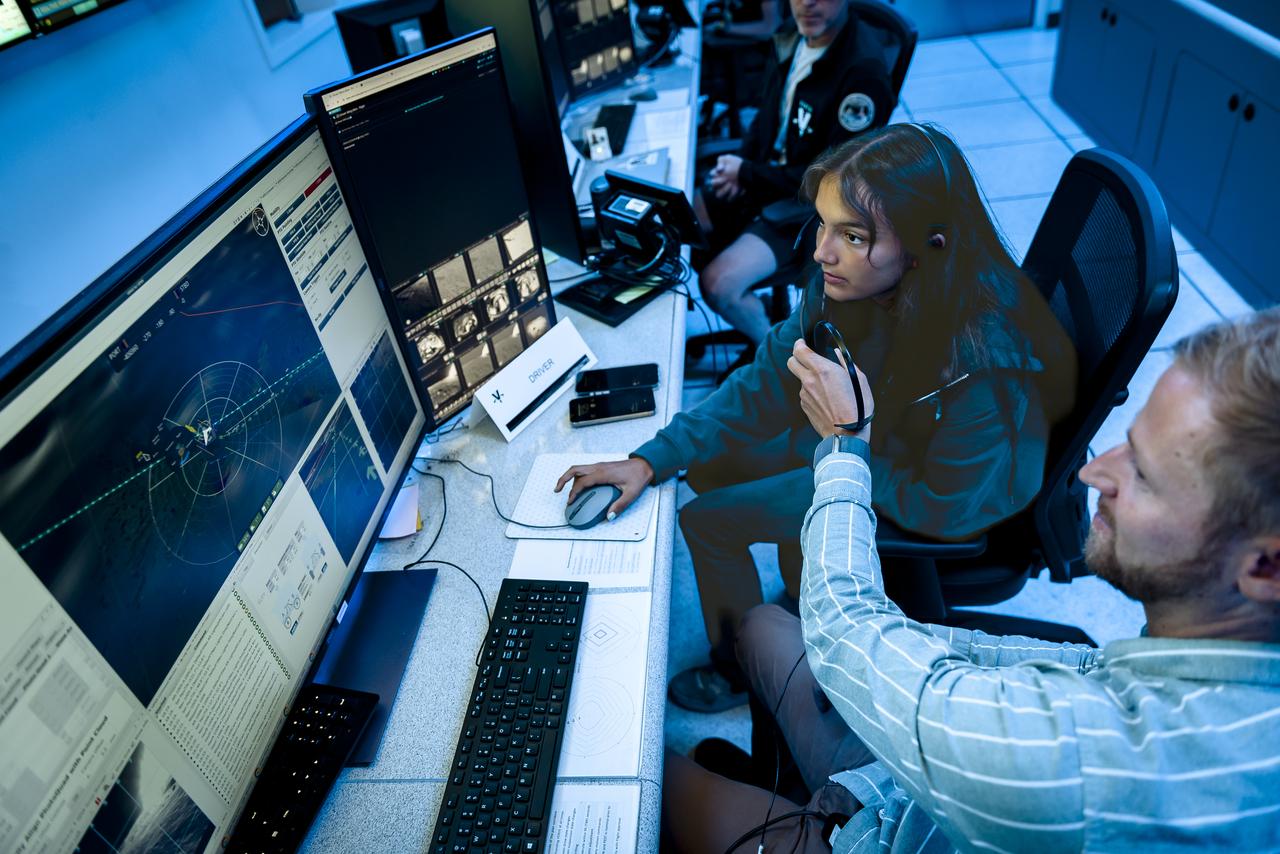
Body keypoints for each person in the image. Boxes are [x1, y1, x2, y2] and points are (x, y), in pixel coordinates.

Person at [662, 307, 1280, 852]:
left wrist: (846, 447)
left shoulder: (1098, 761)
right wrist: (912, 643)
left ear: (1264, 567)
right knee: (761, 626)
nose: (1094, 475)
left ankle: (788, 812)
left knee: (639, 775)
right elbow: (1079, 666)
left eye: (1143, 475)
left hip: (886, 832)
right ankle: (783, 783)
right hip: (909, 781)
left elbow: (844, 629)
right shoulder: (1225, 661)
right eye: (1127, 445)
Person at [557, 124, 1076, 712]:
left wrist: (841, 458)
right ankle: (805, 592)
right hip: (875, 437)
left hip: (926, 492)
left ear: (925, 246)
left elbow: (949, 506)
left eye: (852, 236)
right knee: (706, 463)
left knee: (707, 522)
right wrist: (650, 460)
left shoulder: (984, 363)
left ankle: (742, 670)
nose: (821, 252)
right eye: (824, 224)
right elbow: (761, 386)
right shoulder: (852, 289)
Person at [694, 0, 895, 351]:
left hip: (807, 208)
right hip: (770, 181)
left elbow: (830, 178)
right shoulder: (793, 34)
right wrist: (740, 165)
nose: (807, 3)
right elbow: (765, 118)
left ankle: (785, 362)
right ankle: (762, 315)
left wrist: (748, 174)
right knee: (683, 222)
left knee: (718, 284)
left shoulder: (863, 72)